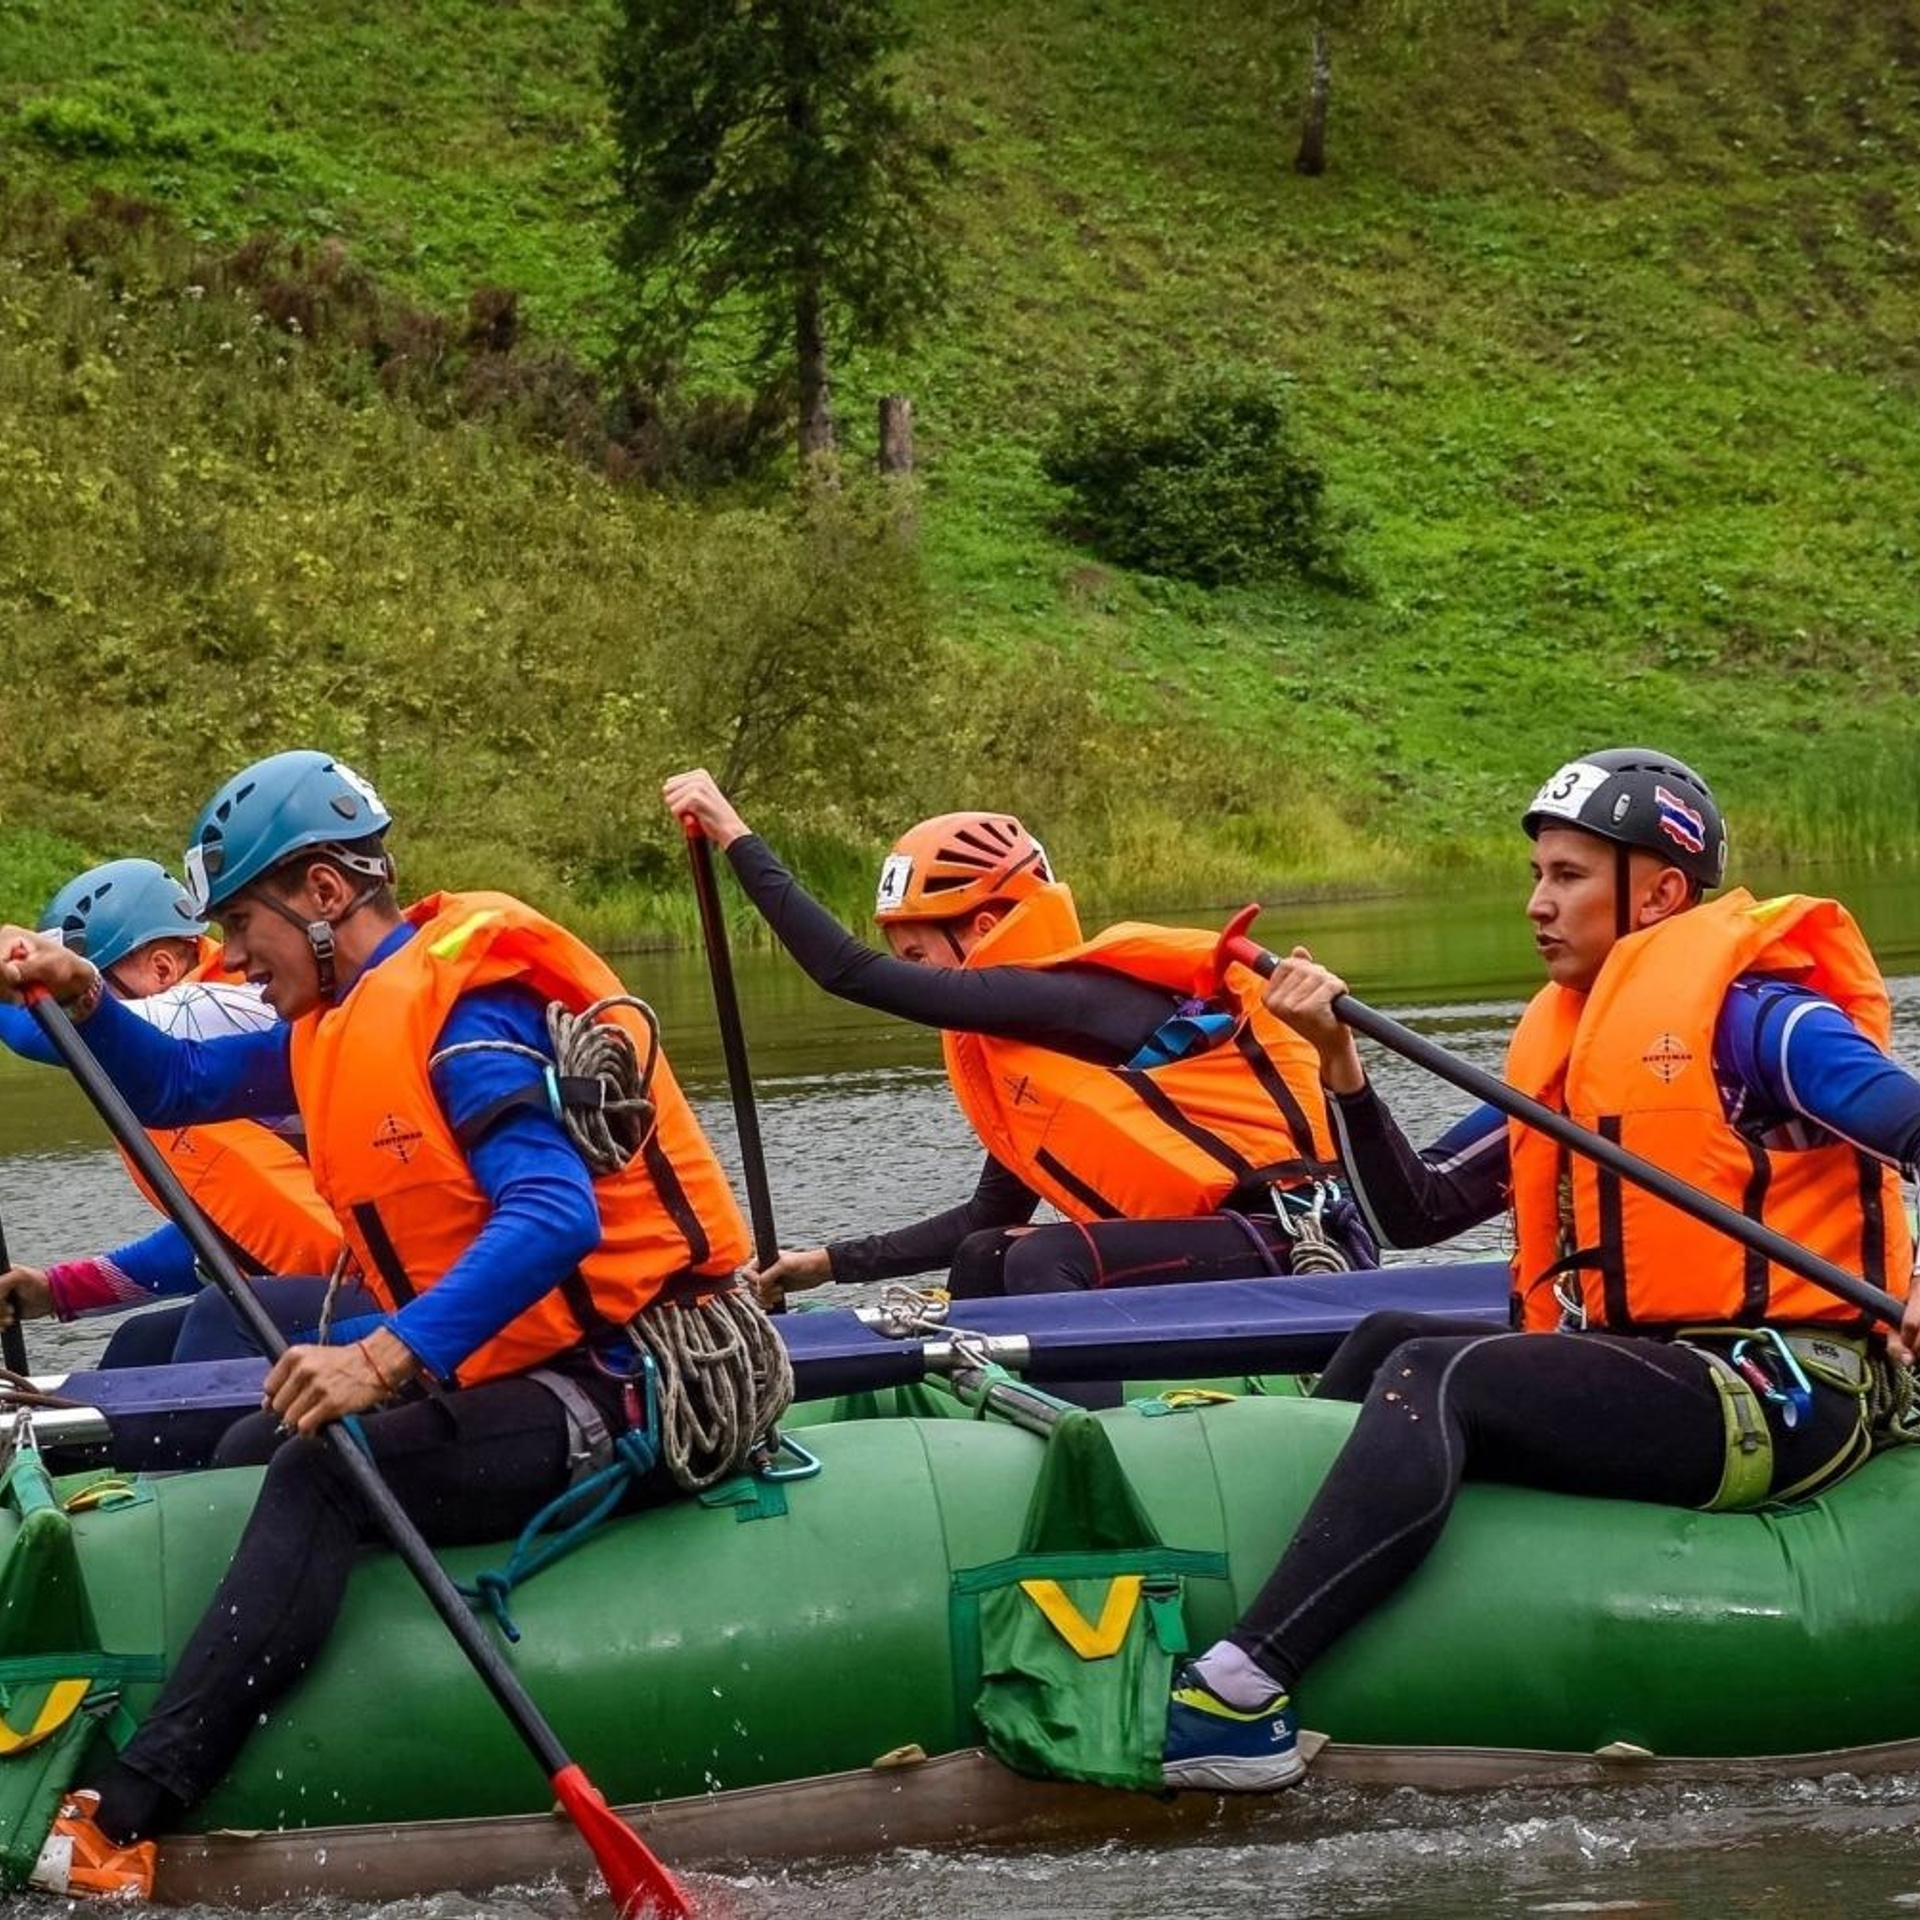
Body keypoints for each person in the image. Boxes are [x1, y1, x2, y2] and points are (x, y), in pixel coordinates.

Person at [0, 751, 781, 1900]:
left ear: (323, 896)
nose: (229, 958)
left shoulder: (471, 1017)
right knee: (247, 1447)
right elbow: (167, 1085)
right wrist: (80, 995)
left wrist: (383, 1354)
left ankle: (127, 1813)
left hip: (631, 1374)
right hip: (516, 1358)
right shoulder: (334, 1021)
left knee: (324, 1470)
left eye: (243, 925)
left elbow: (554, 1215)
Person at [1161, 747, 1920, 1794]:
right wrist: (1338, 1060)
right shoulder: (1570, 1051)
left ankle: (1238, 1692)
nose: (1538, 904)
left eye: (1568, 877)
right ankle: (1273, 1587)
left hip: (1781, 1389)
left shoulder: (1766, 1022)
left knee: (1444, 1371)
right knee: (1388, 1336)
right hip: (1648, 1367)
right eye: (1537, 877)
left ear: (1657, 892)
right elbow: (1410, 1214)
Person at [661, 768, 1374, 1307]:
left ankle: (1088, 1435)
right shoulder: (1029, 1056)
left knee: (1043, 1261)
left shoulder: (1063, 996)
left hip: (1296, 1244)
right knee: (987, 1251)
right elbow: (986, 1215)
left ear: (981, 928)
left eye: (918, 957)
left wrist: (735, 836)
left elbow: (848, 973)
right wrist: (828, 1263)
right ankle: (988, 1432)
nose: (917, 977)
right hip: (1220, 1247)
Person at [0, 858, 367, 1368]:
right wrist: (58, 1290)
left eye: (91, 983)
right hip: (336, 1289)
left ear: (162, 968)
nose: (86, 1003)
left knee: (223, 1316)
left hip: (402, 1302)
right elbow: (221, 1237)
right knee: (140, 1345)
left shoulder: (219, 1006)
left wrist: (23, 979)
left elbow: (43, 1030)